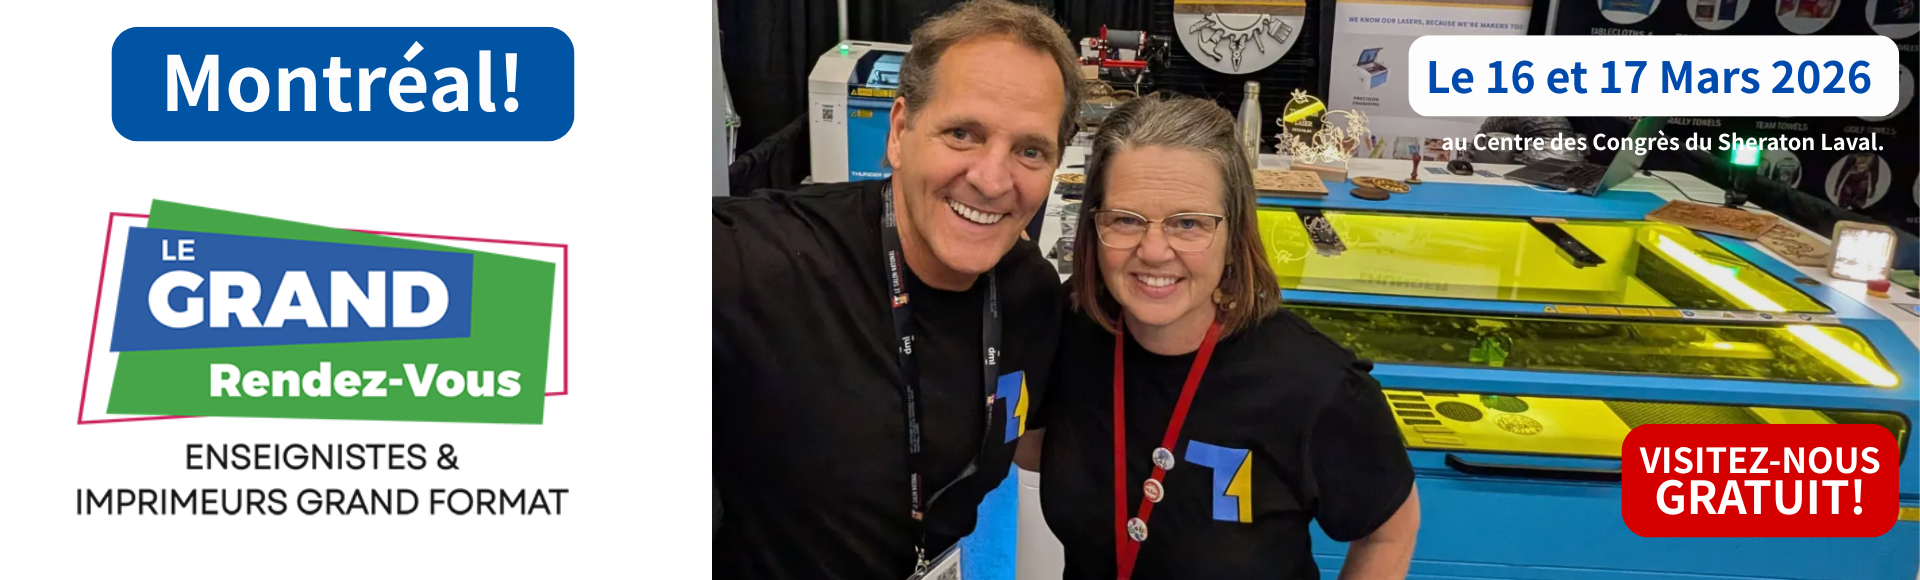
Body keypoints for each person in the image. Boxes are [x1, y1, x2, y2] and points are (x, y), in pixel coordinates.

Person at [711, 1, 1085, 579]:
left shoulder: (1028, 292)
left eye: (1029, 151)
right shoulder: (765, 261)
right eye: (962, 134)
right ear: (900, 131)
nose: (992, 180)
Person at [1015, 95, 1421, 579]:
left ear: (1235, 236)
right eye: (1125, 219)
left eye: (1189, 223)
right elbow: (1030, 449)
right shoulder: (1070, 329)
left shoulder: (1316, 384)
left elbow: (1389, 529)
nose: (1154, 251)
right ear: (1093, 225)